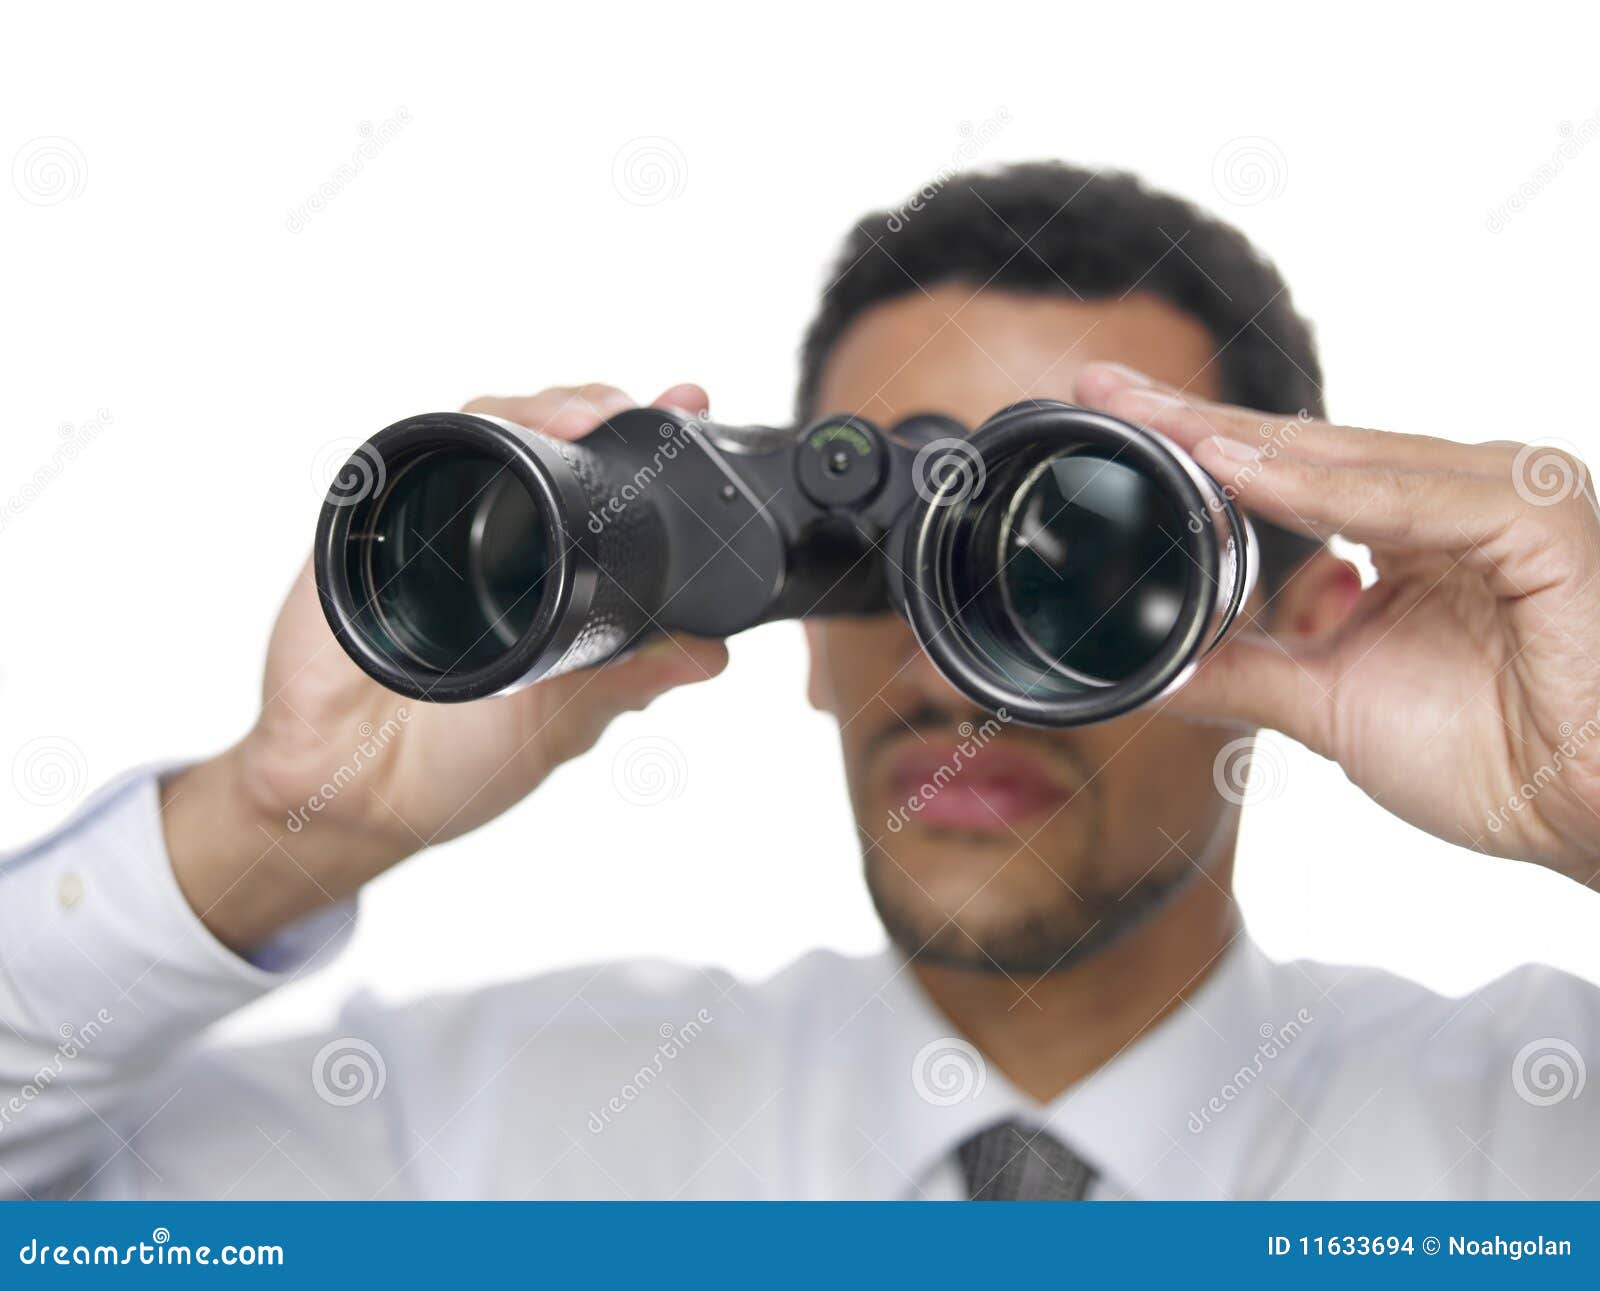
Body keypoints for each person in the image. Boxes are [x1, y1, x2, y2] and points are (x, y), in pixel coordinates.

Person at [4, 163, 1599, 1201]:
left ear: (1298, 614)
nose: (948, 661)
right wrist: (283, 818)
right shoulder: (467, 1139)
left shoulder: (1539, 1143)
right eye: (870, 559)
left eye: (1070, 559)